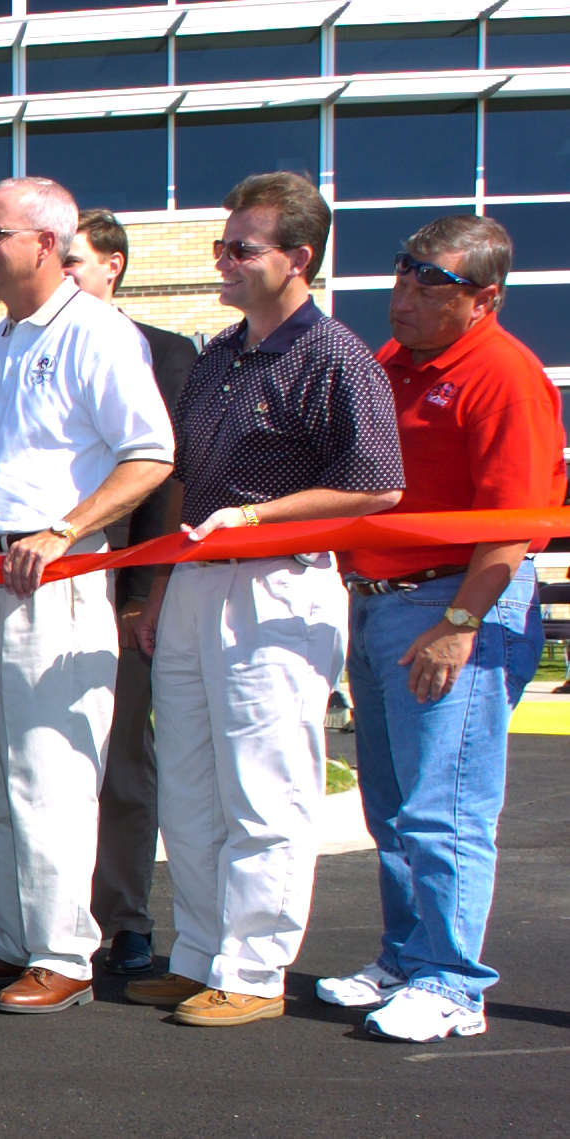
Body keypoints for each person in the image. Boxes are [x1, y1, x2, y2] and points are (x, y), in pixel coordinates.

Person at [122, 173, 408, 1026]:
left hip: (279, 586)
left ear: (299, 259)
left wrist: (257, 514)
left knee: (265, 785)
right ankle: (201, 951)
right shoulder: (216, 357)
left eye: (243, 248)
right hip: (196, 586)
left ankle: (254, 969)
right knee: (192, 782)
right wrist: (158, 588)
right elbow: (181, 479)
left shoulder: (337, 358)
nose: (225, 260)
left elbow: (376, 488)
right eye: (224, 245)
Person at [317, 215, 563, 1041]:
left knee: (444, 809)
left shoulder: (503, 374)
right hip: (382, 602)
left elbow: (517, 523)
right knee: (389, 807)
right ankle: (407, 956)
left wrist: (461, 624)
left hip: (457, 601)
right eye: (402, 275)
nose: (406, 295)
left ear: (484, 298)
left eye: (433, 283)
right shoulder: (391, 365)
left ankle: (455, 983)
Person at [0, 178, 174, 1013]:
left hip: (58, 584)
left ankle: (67, 952)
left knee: (51, 776)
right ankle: (13, 939)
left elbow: (150, 454)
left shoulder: (98, 334)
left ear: (44, 243)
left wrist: (67, 529)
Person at [49, 207, 202, 977]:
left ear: (113, 265)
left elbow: (166, 483)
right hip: (43, 590)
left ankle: (125, 917)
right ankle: (48, 919)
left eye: (73, 260)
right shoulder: (28, 346)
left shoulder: (169, 356)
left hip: (123, 591)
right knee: (46, 762)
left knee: (124, 767)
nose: (62, 272)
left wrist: (144, 591)